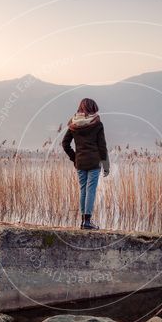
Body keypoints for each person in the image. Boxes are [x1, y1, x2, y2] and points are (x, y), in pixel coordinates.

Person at [62, 98, 109, 230]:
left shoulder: (73, 124)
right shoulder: (97, 124)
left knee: (83, 190)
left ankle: (84, 222)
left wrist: (74, 158)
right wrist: (106, 165)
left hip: (80, 162)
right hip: (94, 162)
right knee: (91, 191)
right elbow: (102, 146)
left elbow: (65, 144)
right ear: (93, 108)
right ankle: (87, 222)